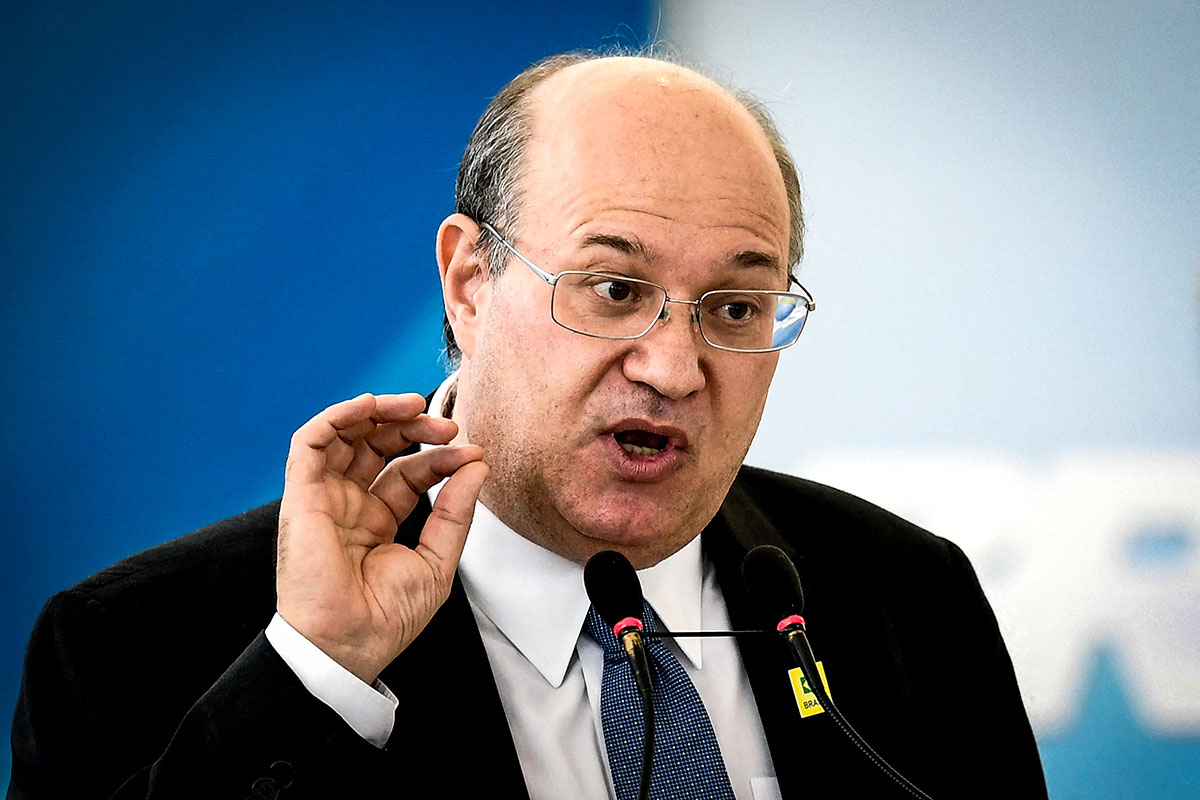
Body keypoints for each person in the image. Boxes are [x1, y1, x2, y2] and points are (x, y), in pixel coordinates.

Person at [9, 52, 1048, 799]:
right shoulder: (135, 647)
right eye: (614, 288)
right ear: (470, 282)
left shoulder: (908, 598)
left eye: (734, 307)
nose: (672, 368)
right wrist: (318, 676)